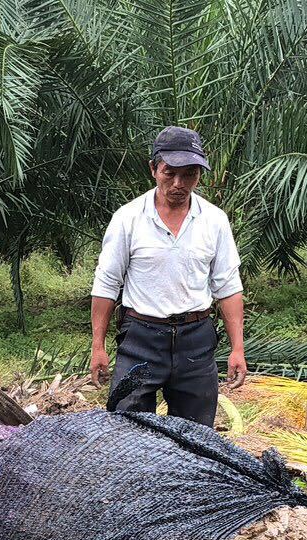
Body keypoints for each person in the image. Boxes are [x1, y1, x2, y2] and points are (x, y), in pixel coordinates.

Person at [89, 125, 247, 427]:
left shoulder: (214, 220)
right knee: (128, 431)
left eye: (189, 175)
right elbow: (107, 284)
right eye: (169, 173)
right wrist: (98, 347)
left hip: (196, 342)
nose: (178, 183)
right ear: (153, 169)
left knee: (197, 437)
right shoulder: (128, 218)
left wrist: (237, 348)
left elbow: (228, 287)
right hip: (140, 340)